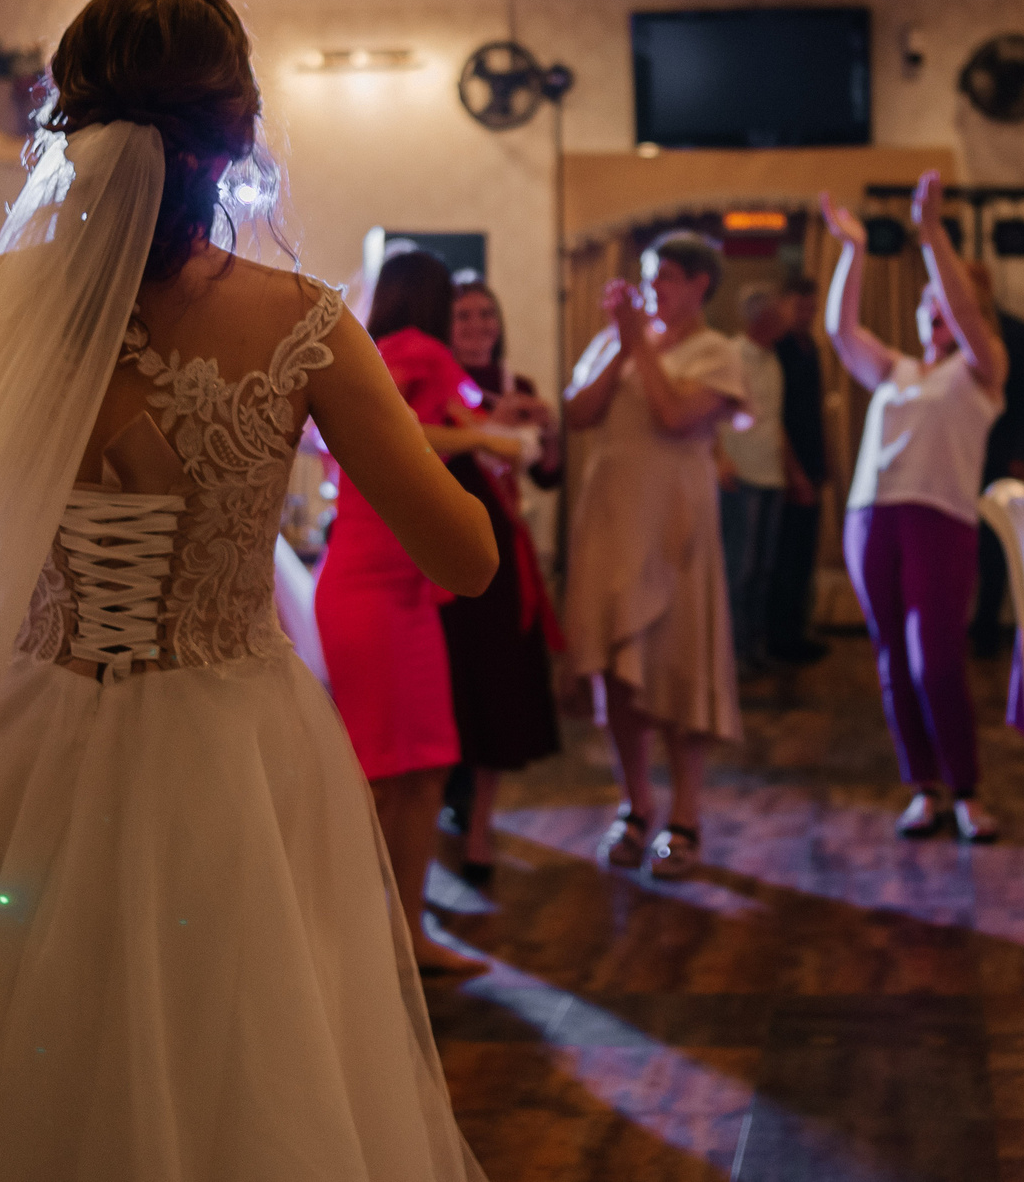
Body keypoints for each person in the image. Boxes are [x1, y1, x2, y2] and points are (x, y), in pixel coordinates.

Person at [0, 0, 497, 1182]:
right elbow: (467, 555)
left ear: (64, 130)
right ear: (238, 132)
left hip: (12, 743)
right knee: (238, 1050)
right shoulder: (305, 321)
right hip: (231, 752)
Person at [314, 247, 524, 973]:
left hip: (395, 585)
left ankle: (401, 933)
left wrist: (494, 424)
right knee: (390, 769)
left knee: (421, 763)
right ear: (432, 302)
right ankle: (368, 936)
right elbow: (419, 429)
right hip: (374, 581)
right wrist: (489, 437)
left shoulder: (386, 353)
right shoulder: (408, 353)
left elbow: (465, 405)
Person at [821, 172, 1007, 842]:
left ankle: (966, 789)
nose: (935, 310)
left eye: (947, 303)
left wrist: (932, 237)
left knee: (939, 656)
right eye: (929, 302)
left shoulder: (981, 371)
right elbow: (840, 333)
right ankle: (923, 787)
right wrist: (854, 250)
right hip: (872, 515)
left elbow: (964, 312)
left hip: (940, 516)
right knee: (892, 656)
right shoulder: (898, 370)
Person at [562, 231, 748, 880]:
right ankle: (635, 802)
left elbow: (674, 414)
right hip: (612, 521)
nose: (655, 286)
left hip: (675, 526)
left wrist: (638, 339)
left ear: (701, 283)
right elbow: (578, 411)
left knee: (677, 660)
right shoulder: (617, 341)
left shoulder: (717, 351)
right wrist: (620, 343)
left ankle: (687, 812)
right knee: (617, 668)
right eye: (649, 274)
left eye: (667, 274)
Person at [438, 276, 564, 889]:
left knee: (495, 692)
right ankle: (447, 804)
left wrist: (548, 428)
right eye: (464, 315)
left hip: (502, 558)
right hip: (442, 559)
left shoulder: (520, 387)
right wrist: (492, 422)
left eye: (487, 314)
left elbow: (546, 476)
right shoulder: (435, 390)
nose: (478, 325)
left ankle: (483, 824)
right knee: (449, 691)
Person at [968, 262, 1024, 661]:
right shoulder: (951, 335)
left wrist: (1023, 452)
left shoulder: (1018, 332)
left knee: (996, 545)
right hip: (961, 453)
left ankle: (986, 626)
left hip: (1000, 451)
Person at [717, 283, 789, 670]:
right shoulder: (731, 354)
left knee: (763, 569)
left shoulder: (774, 358)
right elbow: (716, 416)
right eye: (778, 313)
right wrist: (722, 460)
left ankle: (755, 648)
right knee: (738, 567)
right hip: (740, 474)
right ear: (760, 318)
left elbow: (772, 419)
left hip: (771, 474)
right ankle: (732, 653)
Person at [764, 275, 831, 666]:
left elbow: (813, 411)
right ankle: (781, 637)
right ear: (785, 305)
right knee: (784, 557)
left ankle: (798, 629)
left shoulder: (812, 349)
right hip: (788, 469)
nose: (806, 314)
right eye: (800, 307)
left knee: (804, 555)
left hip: (810, 462)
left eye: (812, 307)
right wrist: (795, 473)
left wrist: (822, 462)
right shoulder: (780, 351)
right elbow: (778, 418)